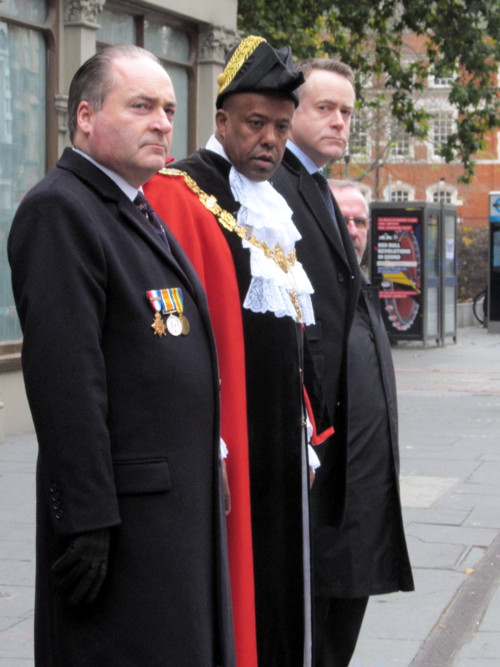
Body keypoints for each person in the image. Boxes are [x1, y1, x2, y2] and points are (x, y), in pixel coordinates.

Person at [8, 45, 235, 667]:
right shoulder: (62, 209)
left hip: (173, 509)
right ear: (85, 116)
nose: (163, 121)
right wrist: (86, 521)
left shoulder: (136, 207)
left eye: (167, 107)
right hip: (125, 524)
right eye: (140, 106)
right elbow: (66, 380)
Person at [144, 36, 332, 667]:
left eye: (281, 127)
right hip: (226, 435)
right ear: (221, 120)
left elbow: (289, 332)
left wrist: (304, 421)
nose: (270, 141)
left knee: (284, 583)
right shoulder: (177, 193)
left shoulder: (275, 206)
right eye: (256, 124)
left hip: (279, 433)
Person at [310, 179, 414, 666]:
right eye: (342, 219)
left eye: (360, 222)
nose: (352, 230)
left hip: (367, 508)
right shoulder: (308, 297)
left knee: (340, 644)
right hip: (323, 510)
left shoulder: (364, 291)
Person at [272, 59, 361, 534]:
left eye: (347, 112)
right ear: (293, 110)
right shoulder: (273, 186)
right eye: (325, 107)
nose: (339, 122)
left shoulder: (320, 186)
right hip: (304, 418)